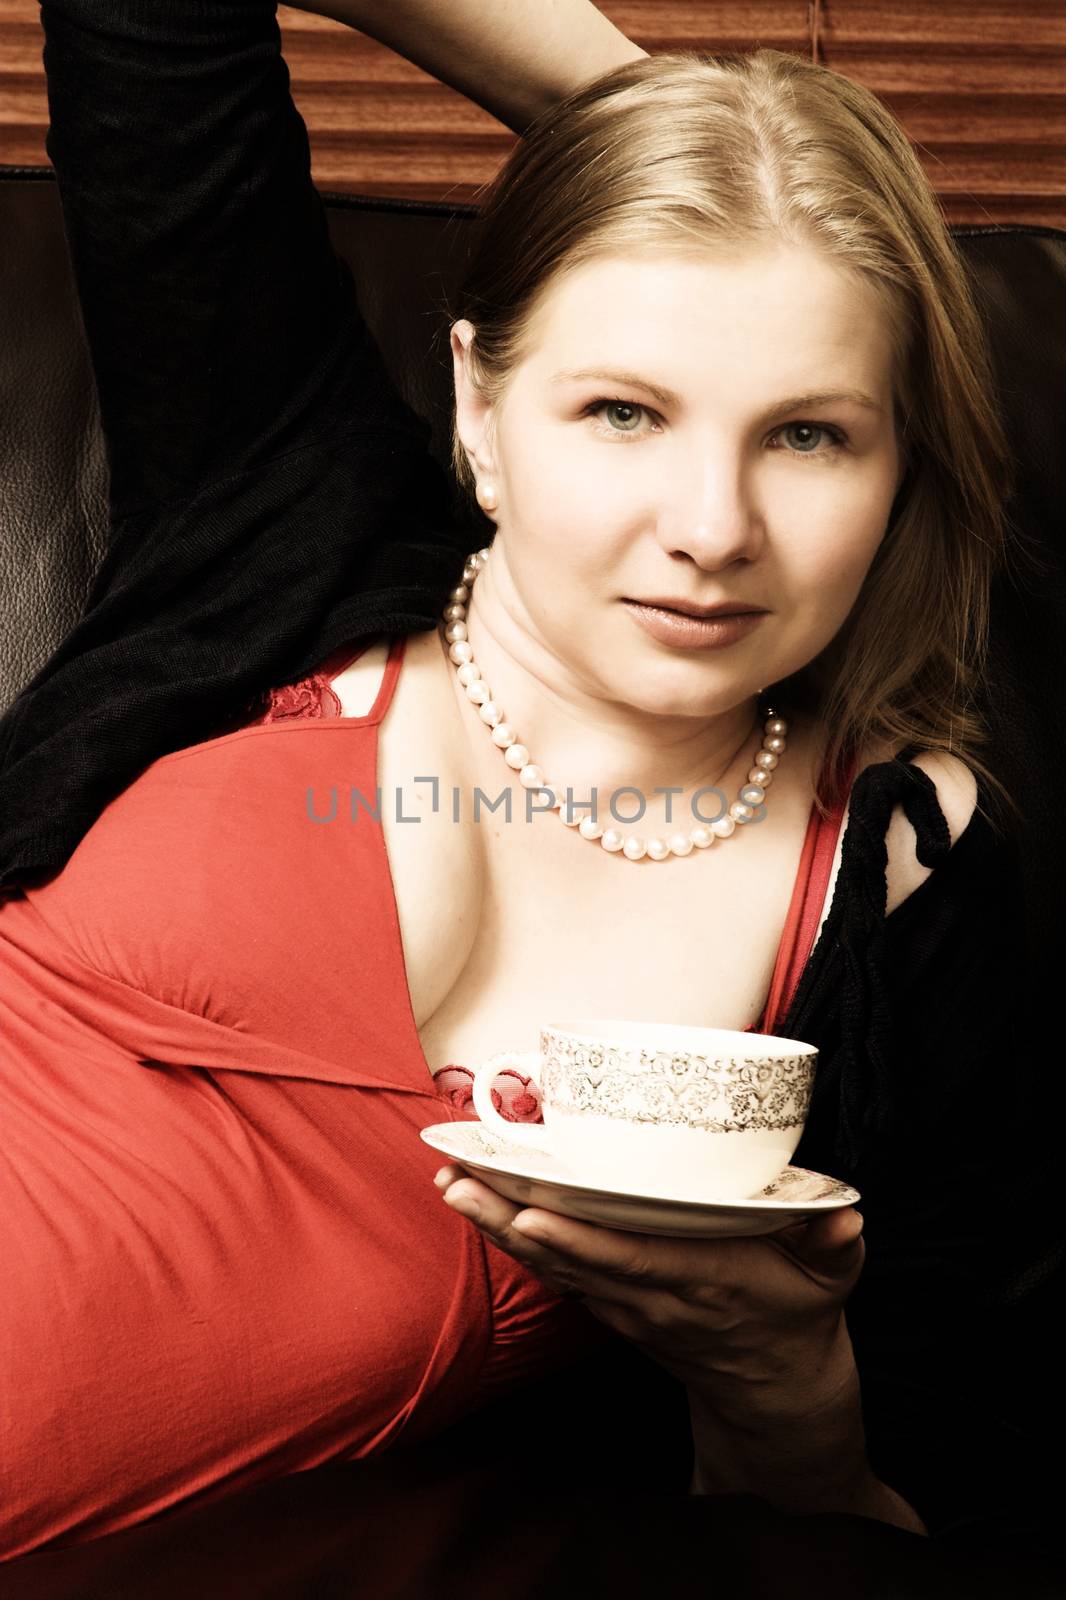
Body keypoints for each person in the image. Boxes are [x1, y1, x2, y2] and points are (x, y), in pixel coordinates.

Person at [0, 0, 1057, 1567]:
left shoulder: (906, 887)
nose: (711, 524)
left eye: (810, 435)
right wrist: (695, 124)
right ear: (481, 412)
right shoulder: (284, 529)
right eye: (623, 409)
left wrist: (784, 1394)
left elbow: (929, 1507)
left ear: (901, 470)